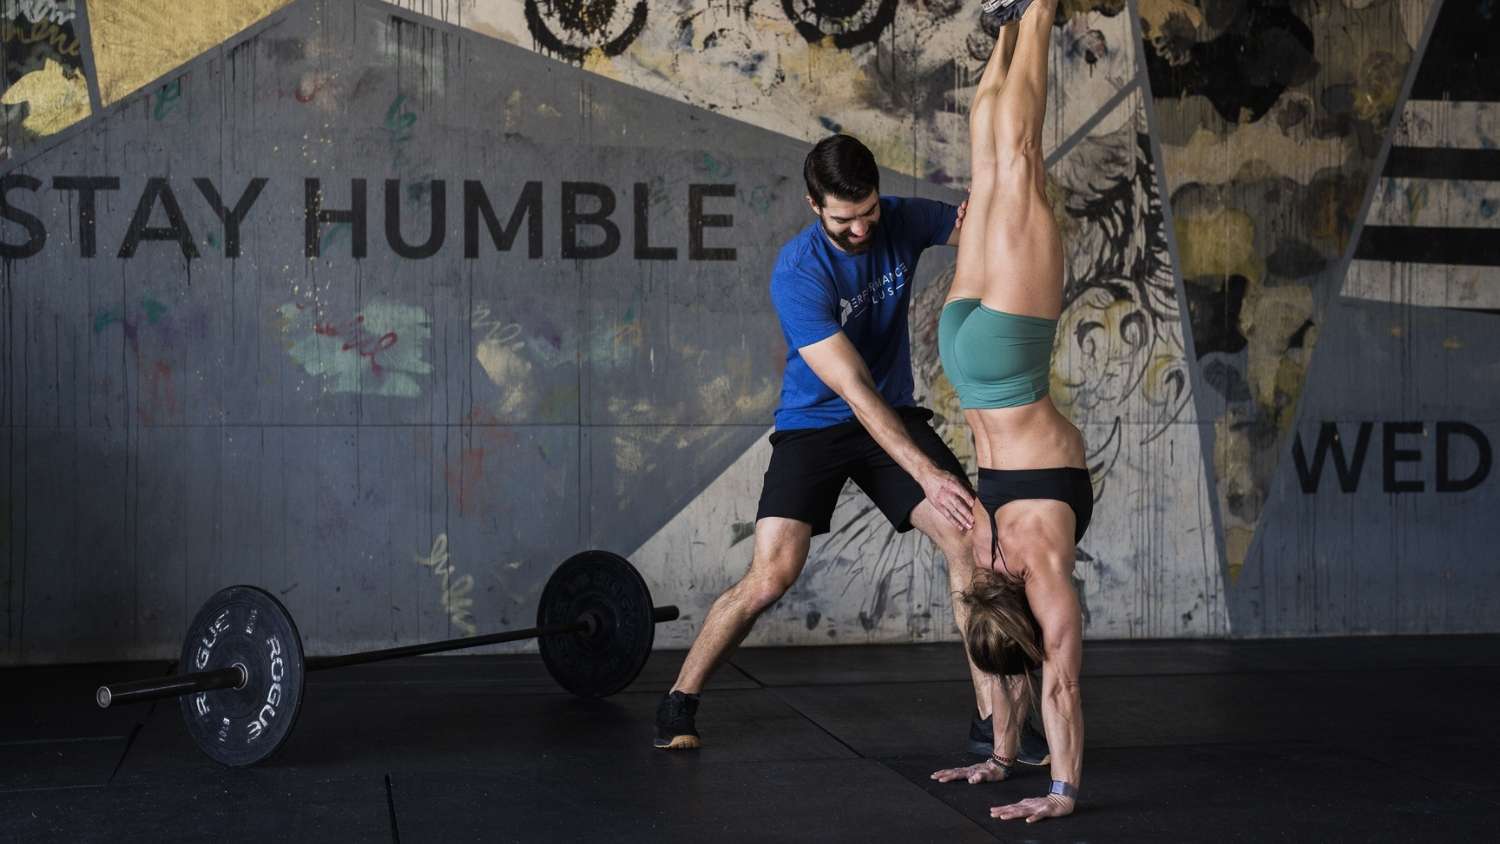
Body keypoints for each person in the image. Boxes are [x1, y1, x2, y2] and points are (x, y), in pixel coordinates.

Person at [654, 133, 1032, 758]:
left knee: (971, 538)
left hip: (892, 415)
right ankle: (680, 697)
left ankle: (993, 719)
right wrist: (929, 475)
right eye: (843, 219)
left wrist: (1005, 185)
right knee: (772, 573)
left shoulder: (901, 219)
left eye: (869, 213)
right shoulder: (798, 272)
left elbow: (982, 223)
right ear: (813, 205)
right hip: (818, 423)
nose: (860, 229)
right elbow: (853, 389)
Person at [928, 0, 1089, 824]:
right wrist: (998, 756)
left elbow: (1056, 678)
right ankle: (1002, 23)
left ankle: (1040, 8)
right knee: (987, 169)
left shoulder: (1041, 570)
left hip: (1008, 357)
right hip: (963, 356)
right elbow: (1011, 664)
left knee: (1019, 158)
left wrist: (1060, 792)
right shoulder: (984, 572)